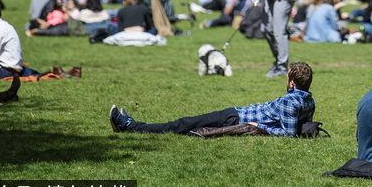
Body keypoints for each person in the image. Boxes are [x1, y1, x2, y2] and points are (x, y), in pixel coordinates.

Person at [110, 62, 315, 136]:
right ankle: (133, 126)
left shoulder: (290, 101)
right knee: (187, 125)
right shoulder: (308, 100)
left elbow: (289, 133)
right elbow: (298, 126)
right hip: (237, 114)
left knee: (183, 123)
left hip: (236, 118)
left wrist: (259, 127)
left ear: (291, 83)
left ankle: (131, 126)